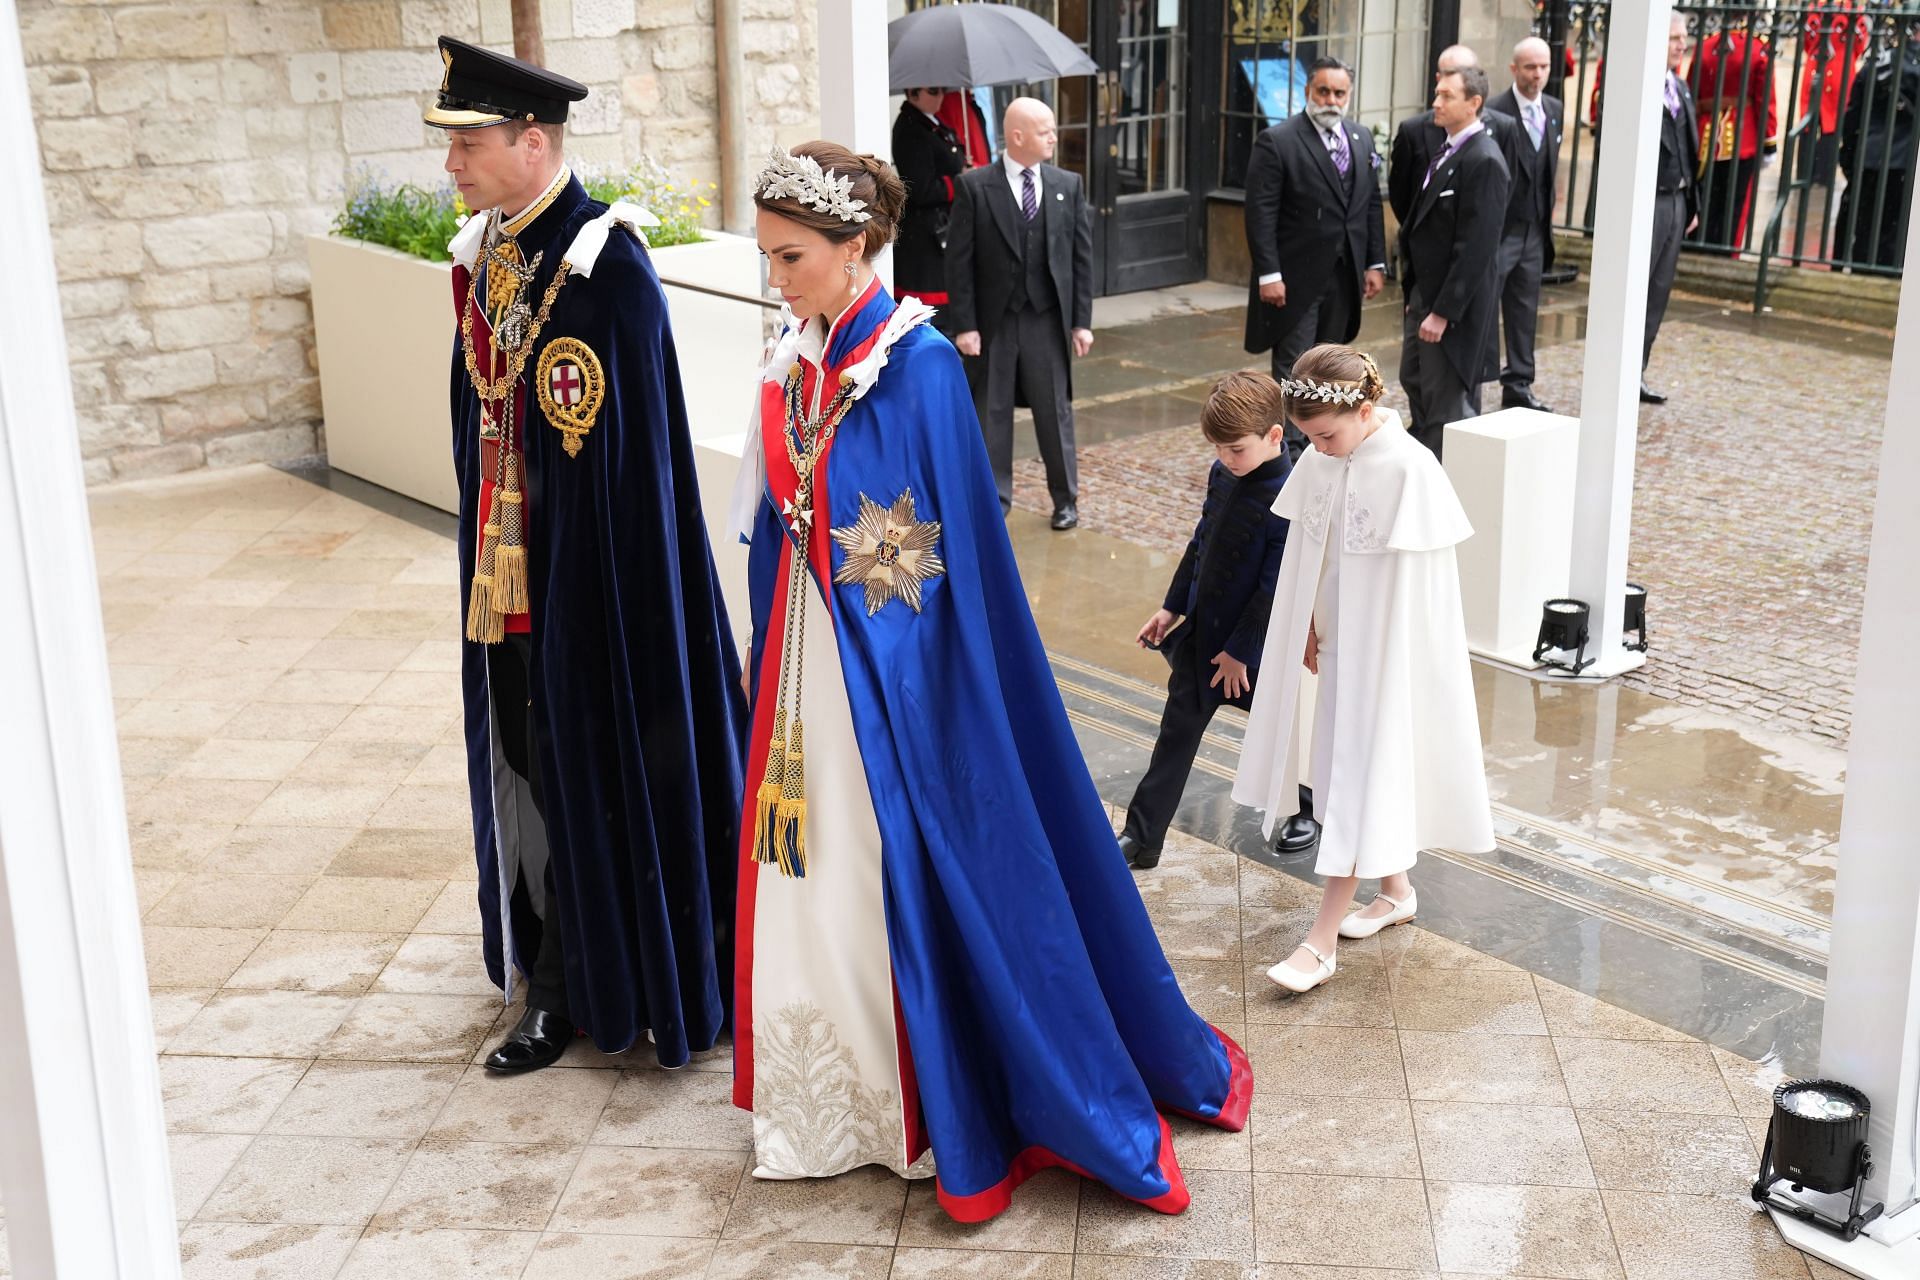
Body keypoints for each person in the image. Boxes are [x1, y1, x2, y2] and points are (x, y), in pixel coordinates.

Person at [731, 141, 1251, 1220]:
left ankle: (928, 1095)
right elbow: (769, 512)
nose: (776, 279)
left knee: (883, 864)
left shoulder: (915, 367)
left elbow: (944, 562)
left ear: (855, 244)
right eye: (770, 256)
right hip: (807, 663)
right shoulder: (797, 357)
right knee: (810, 864)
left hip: (896, 681)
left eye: (791, 257)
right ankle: (831, 1093)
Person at [430, 37, 747, 1073]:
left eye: (468, 143)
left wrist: (581, 595)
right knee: (527, 765)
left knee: (580, 770)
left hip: (595, 591)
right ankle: (549, 958)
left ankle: (572, 987)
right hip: (509, 581)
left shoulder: (603, 269)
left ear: (532, 140)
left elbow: (632, 471)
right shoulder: (490, 254)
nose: (451, 165)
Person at [1232, 344, 1493, 993]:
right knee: (1341, 771)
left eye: (1324, 435)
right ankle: (1396, 891)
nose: (1316, 449)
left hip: (1384, 660)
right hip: (1341, 650)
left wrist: (1387, 662)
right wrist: (1310, 625)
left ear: (1367, 410)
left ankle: (1321, 941)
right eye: (1308, 438)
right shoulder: (1326, 459)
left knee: (1353, 779)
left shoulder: (1409, 469)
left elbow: (1420, 597)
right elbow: (1314, 555)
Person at [1119, 372, 1315, 871]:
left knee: (1282, 734)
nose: (1226, 459)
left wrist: (1240, 652)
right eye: (1219, 449)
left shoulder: (1291, 495)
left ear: (1274, 436)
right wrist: (1171, 607)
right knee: (1175, 737)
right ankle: (1141, 839)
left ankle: (1308, 809)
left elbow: (1273, 587)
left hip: (1253, 653)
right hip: (1204, 639)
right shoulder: (1222, 472)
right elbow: (1201, 542)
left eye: (1236, 449)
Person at [947, 97, 1095, 529]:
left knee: (1055, 412)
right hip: (993, 323)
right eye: (1045, 130)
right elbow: (959, 263)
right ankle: (995, 501)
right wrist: (966, 326)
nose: (1053, 136)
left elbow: (1081, 259)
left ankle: (1065, 500)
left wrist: (1081, 322)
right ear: (1017, 137)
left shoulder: (1068, 183)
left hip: (1045, 320)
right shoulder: (975, 186)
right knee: (991, 413)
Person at [1242, 57, 1388, 462]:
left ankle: (1326, 442)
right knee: (1294, 370)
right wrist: (1269, 274)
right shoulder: (1279, 140)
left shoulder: (1360, 138)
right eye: (1323, 91)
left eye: (1339, 93)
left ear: (1349, 95)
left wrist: (1375, 262)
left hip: (1343, 277)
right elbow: (1260, 212)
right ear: (1308, 91)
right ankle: (1287, 451)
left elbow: (1370, 205)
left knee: (1332, 367)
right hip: (1294, 279)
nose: (1331, 100)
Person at [1396, 65, 1510, 458]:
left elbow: (1476, 248)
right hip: (1424, 296)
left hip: (1451, 312)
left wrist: (1442, 312)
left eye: (1447, 96)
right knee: (1413, 381)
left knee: (1446, 407)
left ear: (1474, 103)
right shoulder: (1448, 150)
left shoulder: (1485, 160)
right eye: (1437, 93)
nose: (1436, 103)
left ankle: (1441, 489)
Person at [1488, 37, 1563, 414]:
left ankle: (1518, 383)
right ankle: (1473, 379)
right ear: (1514, 69)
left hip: (1535, 231)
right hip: (1502, 231)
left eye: (1544, 67)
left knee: (1524, 309)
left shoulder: (1554, 109)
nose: (1538, 75)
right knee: (1485, 306)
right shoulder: (1494, 112)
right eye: (1530, 67)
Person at [1643, 14, 1702, 406]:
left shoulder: (1678, 86)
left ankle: (1637, 372)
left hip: (1677, 201)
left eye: (1684, 38)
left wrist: (1691, 203)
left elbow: (1689, 148)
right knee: (1637, 289)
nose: (1682, 45)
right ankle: (1618, 370)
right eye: (1673, 38)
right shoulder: (1644, 88)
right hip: (1650, 202)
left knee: (1658, 292)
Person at [1688, 8, 1777, 250]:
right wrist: (1769, 142)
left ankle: (1697, 248)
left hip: (1704, 138)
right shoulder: (1758, 49)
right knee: (1734, 209)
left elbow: (1691, 93)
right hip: (1742, 139)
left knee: (1702, 201)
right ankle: (1725, 252)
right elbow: (1765, 101)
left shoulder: (1705, 47)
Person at [1838, 41, 1920, 270]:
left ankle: (1862, 280)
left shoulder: (1876, 64)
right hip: (1908, 164)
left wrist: (1849, 158)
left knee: (1866, 233)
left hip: (1870, 160)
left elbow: (1853, 116)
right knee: (1897, 240)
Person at [890, 87, 968, 321]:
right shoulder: (911, 128)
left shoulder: (932, 122)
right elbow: (921, 189)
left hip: (942, 228)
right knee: (932, 316)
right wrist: (960, 181)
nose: (941, 97)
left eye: (942, 90)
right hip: (925, 236)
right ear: (912, 93)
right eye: (933, 91)